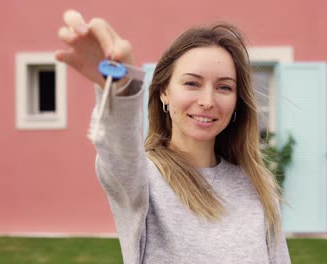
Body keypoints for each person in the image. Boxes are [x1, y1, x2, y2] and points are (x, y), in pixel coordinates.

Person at [56, 10, 291, 264]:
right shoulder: (142, 180)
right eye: (192, 83)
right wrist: (121, 88)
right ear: (164, 93)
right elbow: (118, 151)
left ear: (237, 101)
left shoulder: (256, 186)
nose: (208, 101)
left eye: (224, 87)